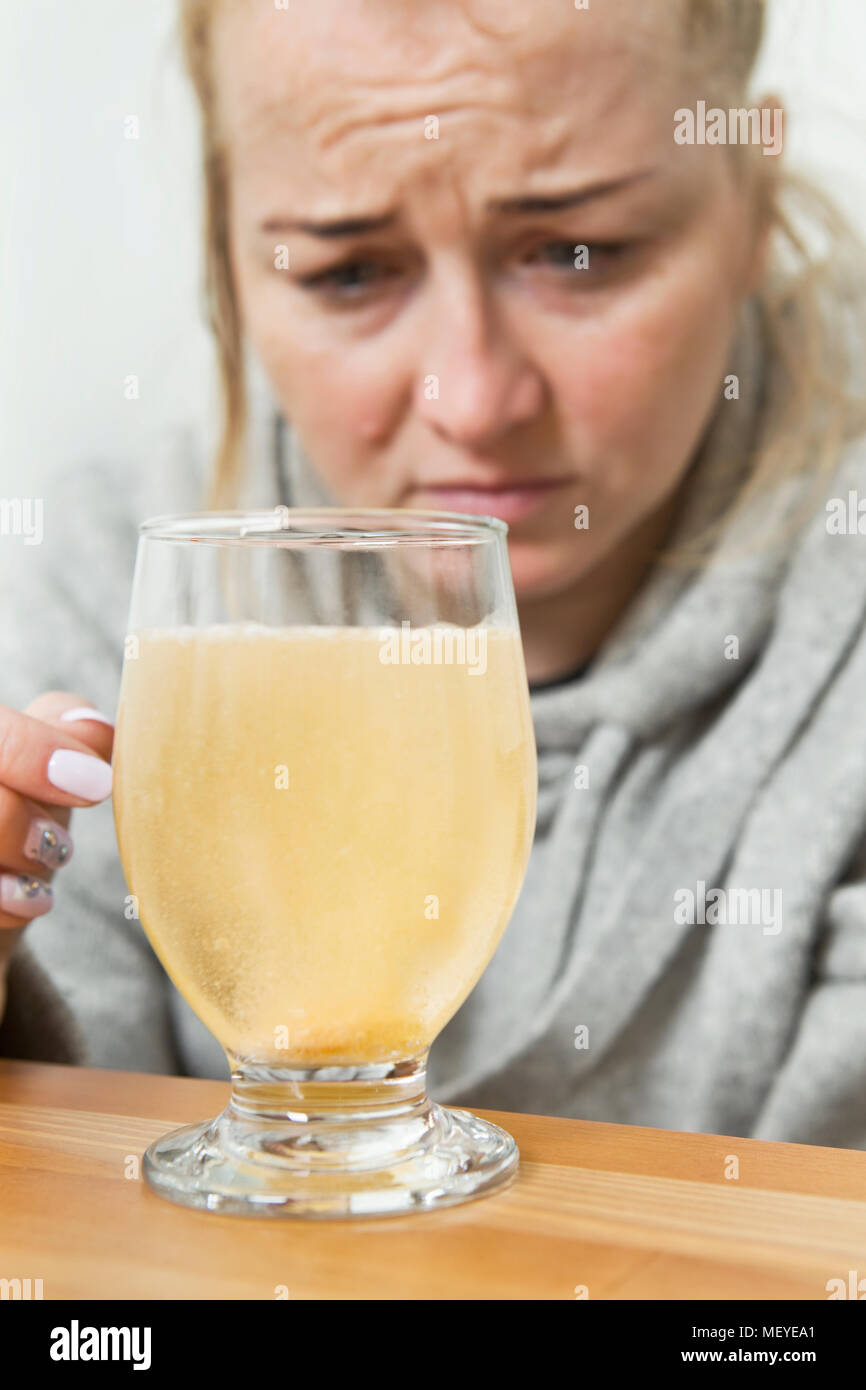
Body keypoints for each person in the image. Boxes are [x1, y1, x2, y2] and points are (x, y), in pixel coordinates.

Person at [2, 0, 866, 1146]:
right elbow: (96, 1249)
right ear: (227, 251)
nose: (470, 399)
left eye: (578, 254)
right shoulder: (124, 585)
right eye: (349, 272)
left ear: (749, 192)